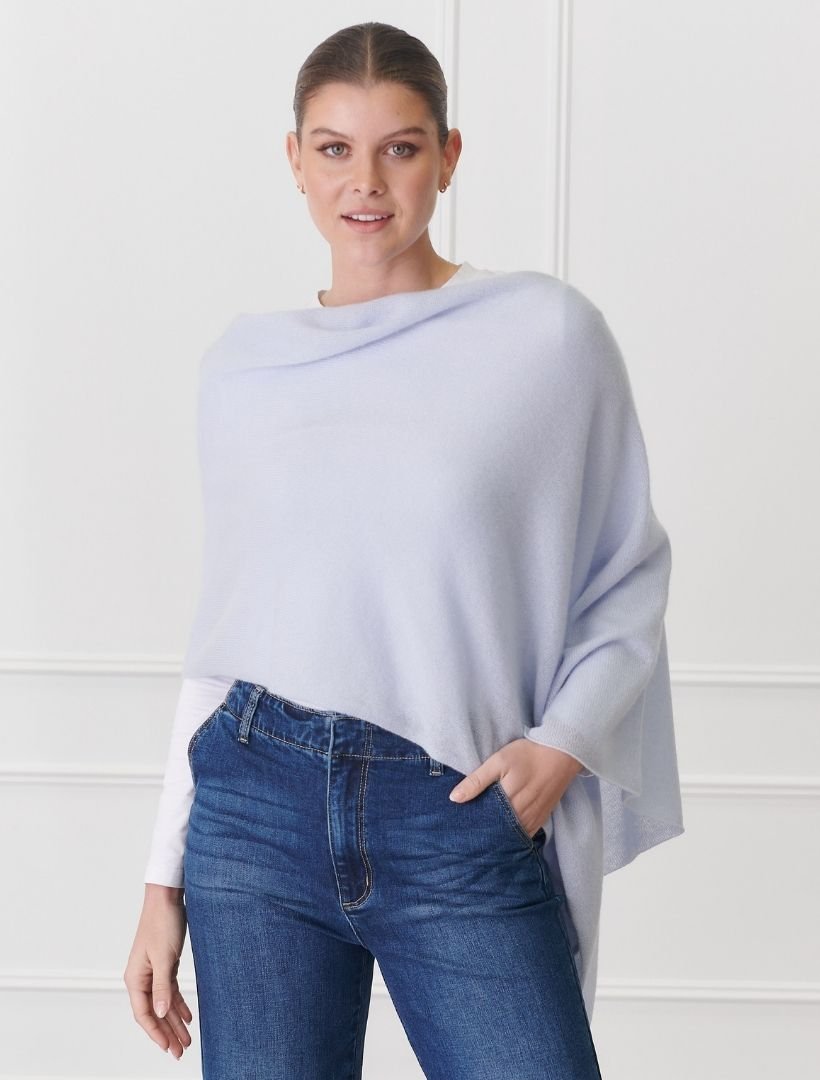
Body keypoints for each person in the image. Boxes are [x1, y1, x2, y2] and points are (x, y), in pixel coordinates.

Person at [123, 20, 684, 1079]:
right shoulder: (244, 368)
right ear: (294, 160)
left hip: (452, 808)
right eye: (334, 147)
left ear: (449, 156)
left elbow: (628, 577)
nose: (366, 182)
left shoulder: (545, 337)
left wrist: (561, 747)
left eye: (401, 147)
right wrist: (162, 883)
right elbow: (224, 641)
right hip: (253, 808)